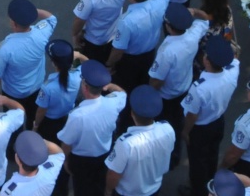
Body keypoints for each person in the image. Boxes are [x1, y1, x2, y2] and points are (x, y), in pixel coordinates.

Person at [148, 4, 210, 170]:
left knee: (162, 126)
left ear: (168, 26)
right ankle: (174, 156)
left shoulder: (167, 51)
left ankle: (160, 157)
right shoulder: (193, 34)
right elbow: (206, 19)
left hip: (167, 95)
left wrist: (149, 94)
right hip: (184, 87)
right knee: (176, 125)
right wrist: (195, 11)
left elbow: (156, 80)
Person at [57, 61, 127, 196]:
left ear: (85, 87)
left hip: (82, 160)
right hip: (104, 155)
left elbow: (67, 142)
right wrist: (110, 85)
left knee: (82, 188)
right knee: (99, 185)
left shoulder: (77, 115)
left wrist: (65, 160)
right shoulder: (113, 102)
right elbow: (122, 93)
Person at [181, 36, 239, 196]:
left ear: (206, 61)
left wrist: (185, 132)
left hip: (200, 129)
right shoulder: (232, 72)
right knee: (212, 154)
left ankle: (197, 191)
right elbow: (235, 60)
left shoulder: (199, 88)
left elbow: (192, 114)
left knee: (197, 162)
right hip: (218, 121)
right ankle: (209, 181)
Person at [0, 0, 57, 130]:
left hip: (13, 93)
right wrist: (31, 12)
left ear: (13, 23)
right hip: (36, 87)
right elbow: (51, 18)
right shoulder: (41, 33)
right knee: (32, 116)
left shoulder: (4, 49)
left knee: (12, 123)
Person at [104, 85, 175, 196]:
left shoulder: (125, 143)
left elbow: (113, 174)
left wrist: (108, 190)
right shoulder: (168, 129)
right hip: (155, 188)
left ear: (132, 113)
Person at [108, 0, 168, 95]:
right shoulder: (162, 2)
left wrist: (109, 64)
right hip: (150, 54)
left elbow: (118, 51)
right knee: (143, 81)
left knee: (126, 87)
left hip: (130, 61)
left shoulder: (127, 20)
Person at [34, 40, 83, 144]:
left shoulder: (47, 87)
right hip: (67, 115)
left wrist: (36, 125)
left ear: (54, 63)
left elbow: (41, 110)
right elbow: (89, 65)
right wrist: (79, 55)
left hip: (50, 121)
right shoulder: (77, 75)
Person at [0, 131, 65, 196]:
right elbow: (59, 152)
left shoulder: (8, 191)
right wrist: (37, 142)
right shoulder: (49, 171)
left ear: (17, 159)